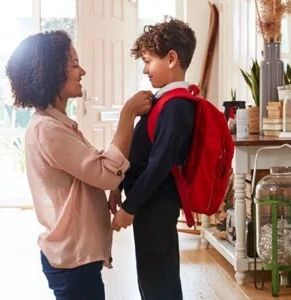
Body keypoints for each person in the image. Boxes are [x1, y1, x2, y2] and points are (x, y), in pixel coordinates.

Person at [5, 30, 153, 300]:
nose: (81, 71)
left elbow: (95, 169)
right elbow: (105, 174)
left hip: (75, 257)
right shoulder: (48, 130)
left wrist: (114, 187)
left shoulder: (57, 124)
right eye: (73, 65)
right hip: (72, 261)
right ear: (51, 73)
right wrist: (127, 114)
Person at [109, 17, 197, 300]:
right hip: (150, 205)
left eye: (148, 61)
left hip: (157, 205)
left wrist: (130, 208)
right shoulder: (163, 102)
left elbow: (159, 165)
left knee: (159, 279)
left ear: (171, 58)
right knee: (152, 275)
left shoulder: (176, 106)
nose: (145, 69)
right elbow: (141, 153)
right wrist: (118, 187)